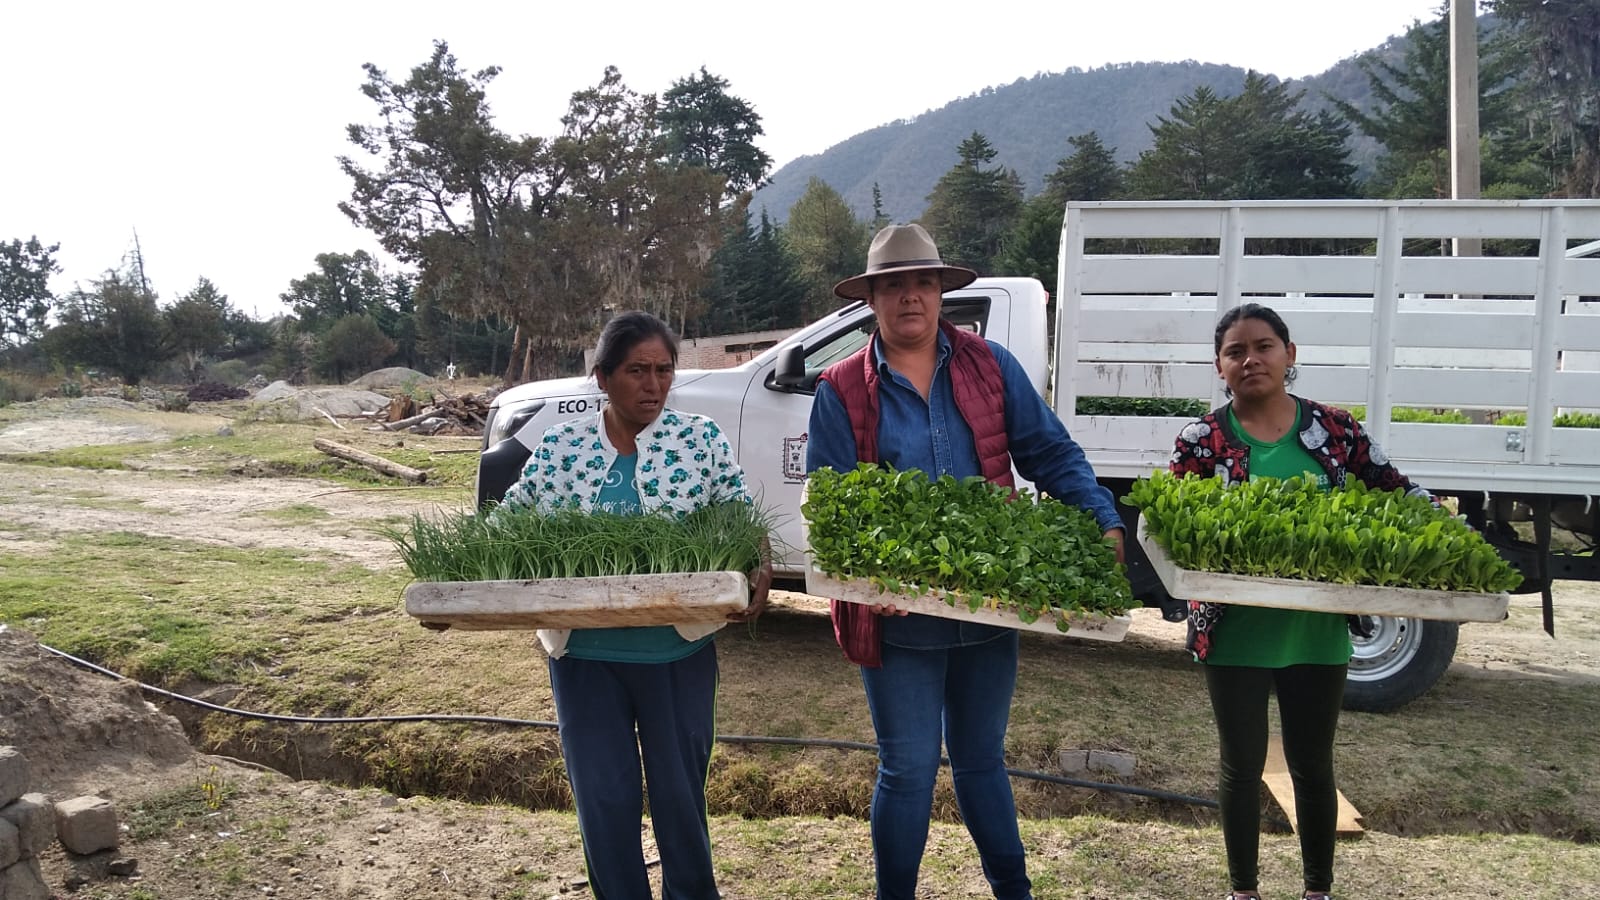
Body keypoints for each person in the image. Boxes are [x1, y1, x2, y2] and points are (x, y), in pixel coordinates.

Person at [805, 224, 1126, 899]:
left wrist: (1100, 517)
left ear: (941, 292)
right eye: (893, 286)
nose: (909, 298)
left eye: (921, 283)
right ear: (873, 300)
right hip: (898, 623)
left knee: (982, 761)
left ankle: (1014, 890)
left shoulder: (989, 365)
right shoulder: (842, 389)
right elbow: (829, 504)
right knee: (909, 768)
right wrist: (866, 580)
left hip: (989, 609)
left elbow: (1050, 451)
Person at [496, 310, 772, 900]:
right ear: (603, 378)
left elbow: (741, 515)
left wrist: (759, 562)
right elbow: (508, 523)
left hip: (678, 650)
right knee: (603, 798)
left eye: (664, 371)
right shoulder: (564, 445)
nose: (653, 385)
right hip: (585, 656)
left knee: (680, 797)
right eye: (636, 371)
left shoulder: (697, 439)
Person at [1169, 302, 1429, 900]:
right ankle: (1244, 891)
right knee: (1241, 765)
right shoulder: (1201, 440)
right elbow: (1173, 524)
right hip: (1234, 632)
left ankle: (1318, 889)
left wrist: (1446, 526)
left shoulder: (1334, 429)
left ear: (1290, 355)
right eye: (1235, 351)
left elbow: (1396, 490)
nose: (1250, 359)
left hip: (1316, 632)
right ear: (1219, 367)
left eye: (1263, 346)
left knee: (1313, 764)